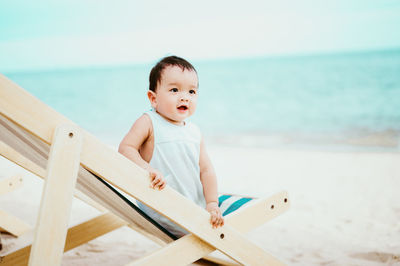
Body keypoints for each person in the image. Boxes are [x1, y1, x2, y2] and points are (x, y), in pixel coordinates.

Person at [118, 55, 224, 237]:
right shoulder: (149, 122)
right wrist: (147, 169)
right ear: (153, 98)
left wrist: (212, 203)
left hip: (196, 212)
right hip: (162, 211)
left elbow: (206, 170)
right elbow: (126, 148)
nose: (185, 97)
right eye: (174, 90)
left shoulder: (194, 131)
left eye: (192, 92)